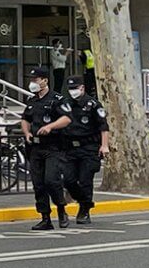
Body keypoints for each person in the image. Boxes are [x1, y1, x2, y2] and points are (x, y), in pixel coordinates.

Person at [21, 66, 73, 230]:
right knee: (38, 184)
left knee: (51, 180)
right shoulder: (32, 100)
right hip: (35, 147)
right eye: (31, 80)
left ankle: (61, 210)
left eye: (35, 80)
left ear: (45, 80)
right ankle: (45, 217)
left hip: (53, 146)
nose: (33, 83)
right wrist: (26, 132)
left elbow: (67, 118)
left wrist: (51, 126)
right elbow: (25, 118)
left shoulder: (57, 99)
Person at [61, 75, 109, 224]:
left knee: (85, 180)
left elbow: (103, 126)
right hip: (69, 147)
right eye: (70, 89)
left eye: (75, 88)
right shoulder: (65, 103)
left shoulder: (93, 104)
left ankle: (84, 210)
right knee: (68, 180)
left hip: (88, 148)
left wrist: (104, 145)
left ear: (82, 88)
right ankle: (84, 201)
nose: (72, 91)